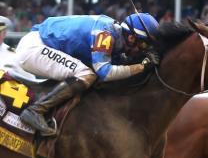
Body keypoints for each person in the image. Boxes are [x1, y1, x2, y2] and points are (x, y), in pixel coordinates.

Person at [16, 13, 160, 136]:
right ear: (132, 38)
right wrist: (141, 67)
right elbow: (105, 72)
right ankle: (35, 110)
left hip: (43, 43)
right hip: (34, 48)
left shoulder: (114, 34)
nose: (141, 50)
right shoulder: (105, 34)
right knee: (86, 74)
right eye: (143, 45)